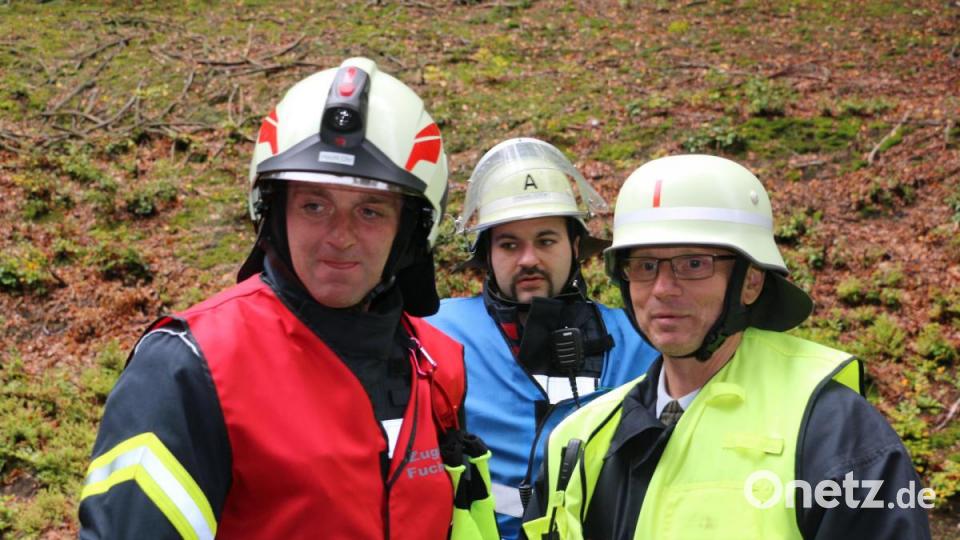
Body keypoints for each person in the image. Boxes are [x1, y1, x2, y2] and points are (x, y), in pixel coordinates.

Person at [79, 57, 497, 539]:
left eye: (370, 211)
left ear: (410, 230)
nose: (339, 236)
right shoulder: (190, 368)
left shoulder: (439, 368)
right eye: (314, 205)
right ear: (275, 213)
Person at [522, 154, 932, 539]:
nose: (663, 289)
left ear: (750, 282)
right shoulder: (580, 439)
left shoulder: (835, 430)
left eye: (694, 264)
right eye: (645, 266)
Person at [427, 138, 659, 539]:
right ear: (487, 255)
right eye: (509, 244)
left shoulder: (637, 340)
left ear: (574, 246)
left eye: (546, 240)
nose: (528, 259)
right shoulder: (438, 333)